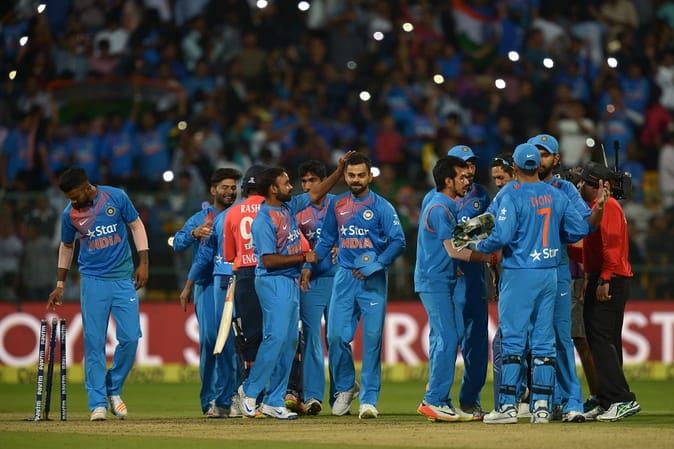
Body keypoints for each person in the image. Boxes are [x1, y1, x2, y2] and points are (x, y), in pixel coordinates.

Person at [238, 152, 355, 420]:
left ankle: (274, 400)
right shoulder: (263, 220)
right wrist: (304, 257)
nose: (292, 187)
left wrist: (339, 172)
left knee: (290, 342)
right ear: (273, 188)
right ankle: (250, 391)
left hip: (290, 281)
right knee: (275, 338)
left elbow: (316, 193)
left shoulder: (287, 208)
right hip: (273, 282)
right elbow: (267, 260)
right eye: (286, 183)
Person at [476, 143, 587, 424]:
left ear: (514, 167)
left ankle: (507, 407)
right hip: (550, 273)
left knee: (513, 339)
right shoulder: (556, 194)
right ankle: (542, 407)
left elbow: (501, 236)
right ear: (537, 165)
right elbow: (579, 228)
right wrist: (553, 239)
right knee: (544, 341)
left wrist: (480, 245)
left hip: (519, 273)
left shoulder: (511, 194)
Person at [47, 167, 149, 421]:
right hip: (93, 281)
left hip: (123, 278)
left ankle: (113, 387)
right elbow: (66, 246)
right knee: (94, 343)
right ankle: (98, 403)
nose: (72, 201)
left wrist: (144, 262)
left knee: (131, 338)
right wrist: (60, 283)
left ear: (86, 187)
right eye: (69, 198)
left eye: (75, 196)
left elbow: (136, 225)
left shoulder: (116, 196)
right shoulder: (69, 214)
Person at [312, 153, 406, 419]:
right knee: (334, 337)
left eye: (361, 175)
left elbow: (398, 241)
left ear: (369, 176)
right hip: (344, 278)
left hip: (372, 280)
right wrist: (309, 264)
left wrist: (378, 263)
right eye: (351, 175)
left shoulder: (382, 206)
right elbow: (326, 239)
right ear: (345, 176)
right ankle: (346, 387)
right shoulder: (337, 204)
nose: (356, 180)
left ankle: (369, 399)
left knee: (373, 340)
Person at [528, 133, 607, 422]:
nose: (539, 160)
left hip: (557, 270)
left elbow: (585, 226)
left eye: (545, 154)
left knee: (562, 339)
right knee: (534, 341)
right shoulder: (515, 189)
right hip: (525, 273)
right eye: (535, 154)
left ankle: (571, 401)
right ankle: (544, 401)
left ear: (556, 159)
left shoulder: (564, 189)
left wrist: (598, 210)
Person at [415, 155, 498, 422]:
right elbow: (454, 250)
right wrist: (487, 257)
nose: (467, 180)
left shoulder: (445, 205)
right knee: (448, 338)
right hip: (434, 282)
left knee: (449, 337)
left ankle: (442, 400)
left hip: (443, 280)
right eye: (461, 177)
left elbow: (456, 240)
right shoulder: (440, 208)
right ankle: (433, 400)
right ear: (448, 181)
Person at [573, 162, 641, 422]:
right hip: (604, 276)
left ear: (597, 186)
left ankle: (621, 399)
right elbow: (593, 249)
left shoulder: (608, 206)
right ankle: (607, 399)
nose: (579, 186)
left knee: (601, 339)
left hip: (610, 278)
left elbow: (611, 247)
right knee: (604, 340)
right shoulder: (598, 208)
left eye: (583, 182)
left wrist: (604, 279)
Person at [175, 168, 242, 417]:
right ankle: (211, 399)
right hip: (207, 285)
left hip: (236, 284)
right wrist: (194, 233)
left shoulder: (240, 215)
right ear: (213, 190)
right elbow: (178, 243)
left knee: (235, 343)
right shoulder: (201, 218)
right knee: (211, 340)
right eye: (225, 187)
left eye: (233, 187)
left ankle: (232, 396)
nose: (230, 192)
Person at [285, 160, 338, 416]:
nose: (307, 186)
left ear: (323, 181)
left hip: (339, 278)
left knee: (338, 337)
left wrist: (343, 247)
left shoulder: (340, 204)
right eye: (304, 181)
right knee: (312, 338)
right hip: (310, 280)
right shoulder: (297, 210)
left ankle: (341, 393)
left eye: (312, 180)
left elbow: (357, 234)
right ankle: (313, 396)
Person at [446, 145, 491, 419]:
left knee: (477, 344)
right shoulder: (438, 198)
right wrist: (457, 247)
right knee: (446, 340)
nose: (469, 170)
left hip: (474, 276)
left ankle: (470, 400)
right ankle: (437, 397)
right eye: (463, 165)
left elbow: (490, 228)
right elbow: (437, 240)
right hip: (449, 279)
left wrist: (458, 236)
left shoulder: (482, 196)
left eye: (472, 164)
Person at [223, 165, 267, 383]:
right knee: (278, 333)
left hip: (245, 275)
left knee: (249, 334)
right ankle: (287, 389)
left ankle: (251, 389)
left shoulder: (232, 213)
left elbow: (229, 255)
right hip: (272, 272)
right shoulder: (275, 209)